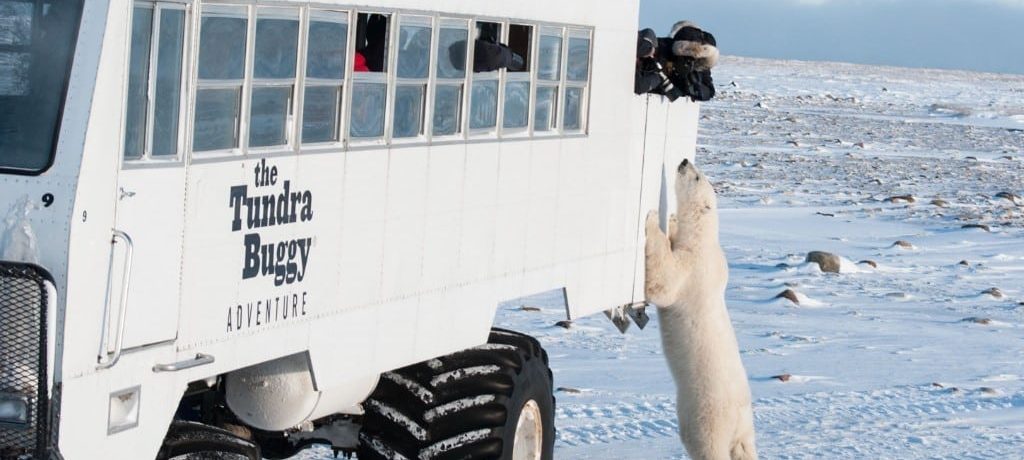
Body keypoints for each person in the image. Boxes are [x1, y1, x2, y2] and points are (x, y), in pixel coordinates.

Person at [634, 21, 718, 102]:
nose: (690, 61)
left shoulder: (699, 68)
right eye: (686, 56)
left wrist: (695, 87)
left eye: (695, 58)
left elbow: (710, 91)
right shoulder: (663, 48)